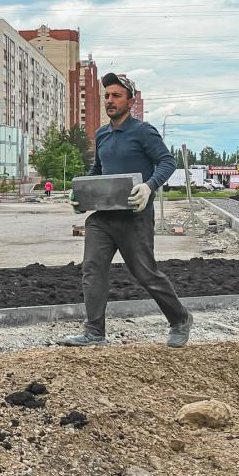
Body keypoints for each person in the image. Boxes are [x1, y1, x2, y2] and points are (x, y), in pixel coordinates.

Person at [62, 73, 193, 348]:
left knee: (146, 273)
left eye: (116, 95)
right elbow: (96, 171)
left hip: (134, 216)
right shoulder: (102, 135)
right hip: (102, 217)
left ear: (130, 101)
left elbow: (166, 162)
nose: (110, 100)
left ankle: (180, 319)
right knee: (92, 269)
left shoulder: (143, 131)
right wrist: (80, 194)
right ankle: (94, 331)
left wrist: (149, 186)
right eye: (107, 96)